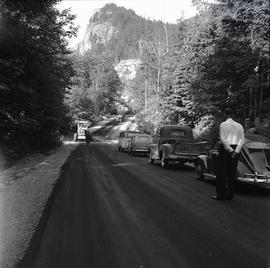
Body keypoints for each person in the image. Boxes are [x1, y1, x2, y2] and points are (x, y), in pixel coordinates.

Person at [212, 108, 245, 201]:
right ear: (232, 115)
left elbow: (223, 139)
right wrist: (236, 151)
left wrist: (230, 150)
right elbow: (242, 140)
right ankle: (230, 195)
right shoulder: (239, 125)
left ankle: (221, 195)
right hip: (236, 149)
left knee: (221, 172)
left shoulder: (223, 124)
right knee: (232, 173)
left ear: (225, 114)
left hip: (226, 149)